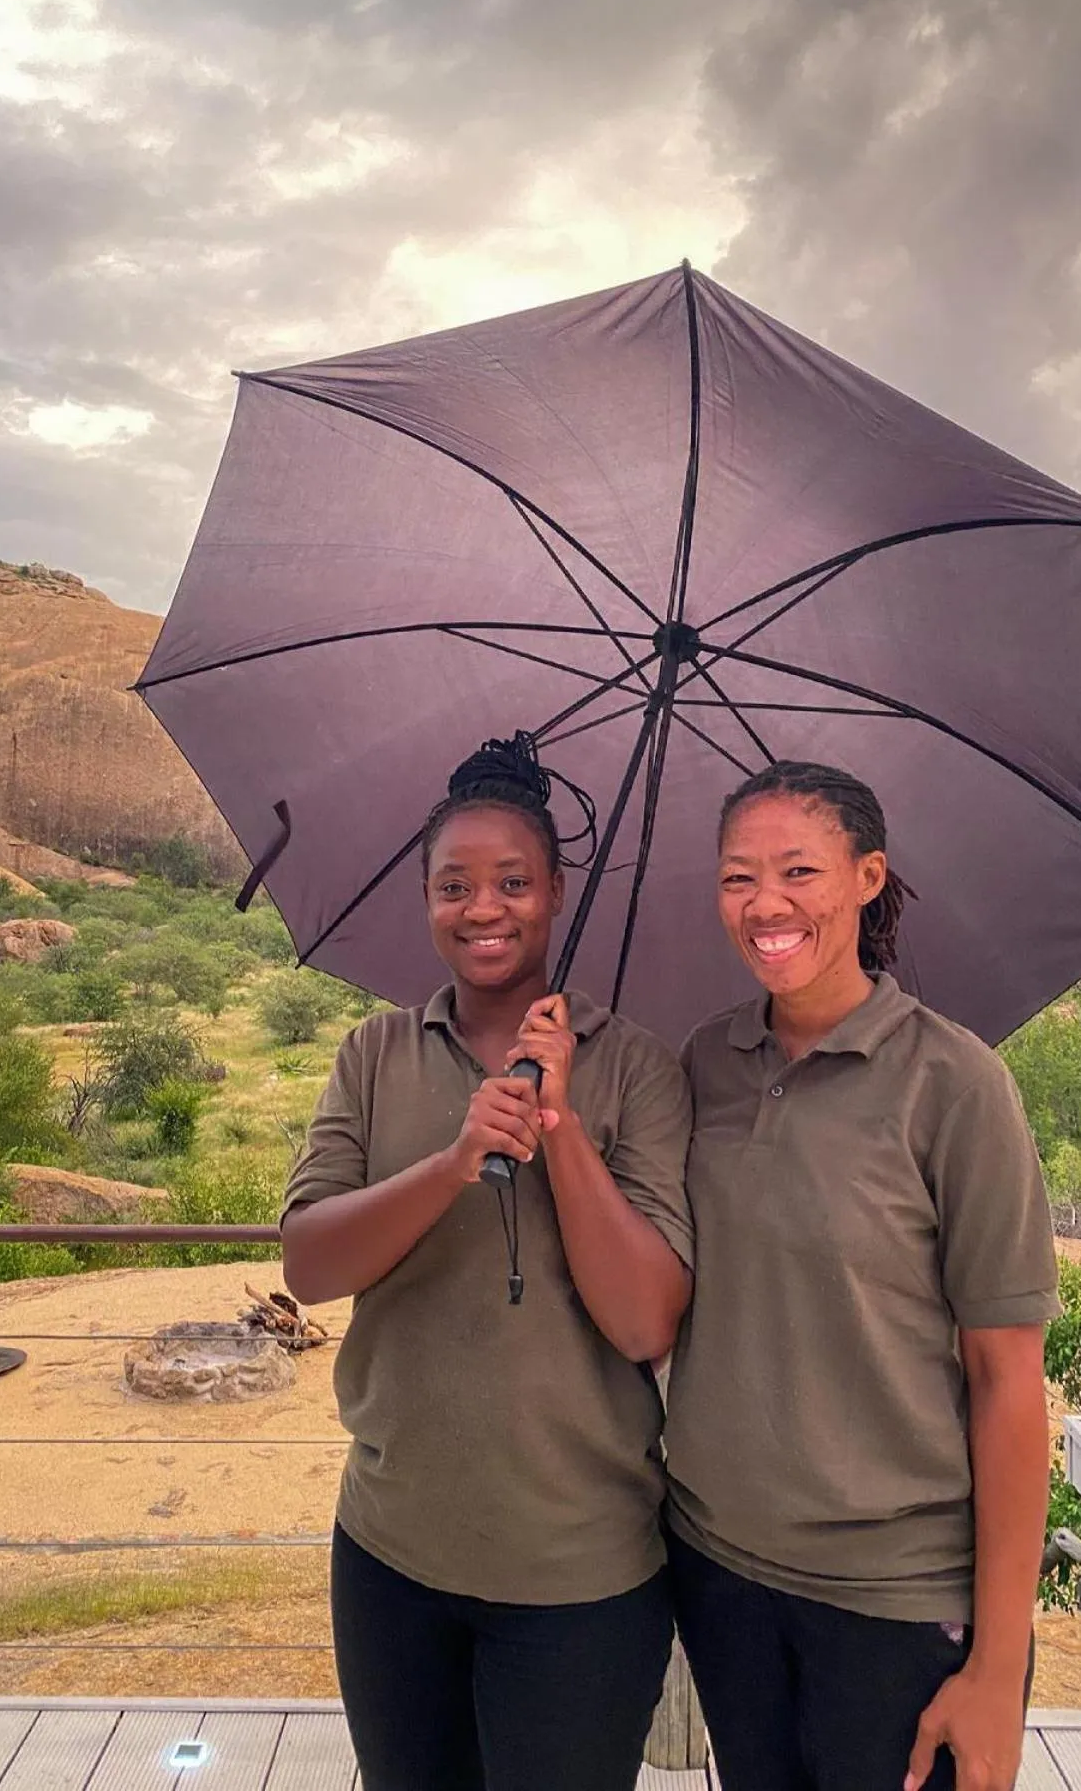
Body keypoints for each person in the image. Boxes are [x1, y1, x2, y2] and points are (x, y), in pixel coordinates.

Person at [280, 732, 695, 1791]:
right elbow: (311, 1263)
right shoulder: (373, 1054)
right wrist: (457, 1158)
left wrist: (558, 1123)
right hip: (389, 1555)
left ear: (558, 892)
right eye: (453, 885)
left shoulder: (639, 1069)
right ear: (423, 900)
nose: (483, 908)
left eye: (513, 882)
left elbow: (647, 1320)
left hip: (582, 1581)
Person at [664, 760, 1058, 1791]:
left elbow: (1011, 1383)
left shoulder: (954, 1083)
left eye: (799, 870)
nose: (766, 905)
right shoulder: (705, 1063)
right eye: (737, 878)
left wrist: (998, 1663)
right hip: (721, 1571)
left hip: (898, 1600)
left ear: (869, 875)